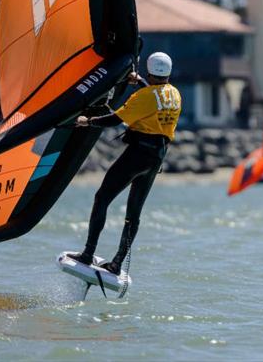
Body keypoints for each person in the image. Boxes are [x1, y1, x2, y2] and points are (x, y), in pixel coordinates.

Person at [70, 52, 182, 274]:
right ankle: (117, 264)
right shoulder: (175, 94)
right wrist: (140, 82)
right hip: (156, 158)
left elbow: (115, 120)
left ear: (149, 72)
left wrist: (87, 121)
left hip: (137, 155)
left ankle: (88, 254)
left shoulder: (143, 97)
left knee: (102, 198)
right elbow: (154, 97)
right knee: (134, 213)